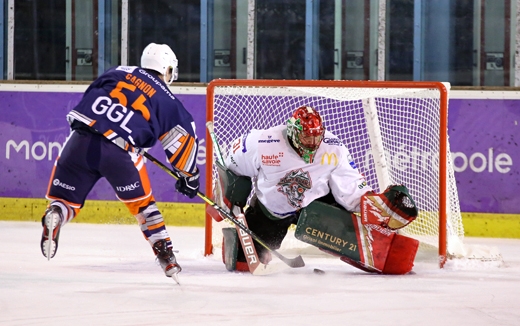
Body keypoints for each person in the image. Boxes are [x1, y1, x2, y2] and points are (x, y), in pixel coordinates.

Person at [40, 43, 200, 280]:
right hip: (119, 154)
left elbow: (90, 97)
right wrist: (189, 176)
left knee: (65, 200)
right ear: (167, 70)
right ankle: (166, 255)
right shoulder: (168, 100)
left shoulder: (117, 72)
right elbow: (183, 141)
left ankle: (56, 214)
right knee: (144, 207)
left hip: (80, 140)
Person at [218, 106, 419, 274]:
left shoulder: (333, 148)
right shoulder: (261, 142)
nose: (313, 144)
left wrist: (372, 204)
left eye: (316, 138)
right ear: (294, 132)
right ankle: (240, 243)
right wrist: (227, 198)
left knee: (344, 225)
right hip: (272, 211)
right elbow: (231, 168)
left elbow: (348, 186)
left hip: (316, 205)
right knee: (241, 263)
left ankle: (377, 250)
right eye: (307, 138)